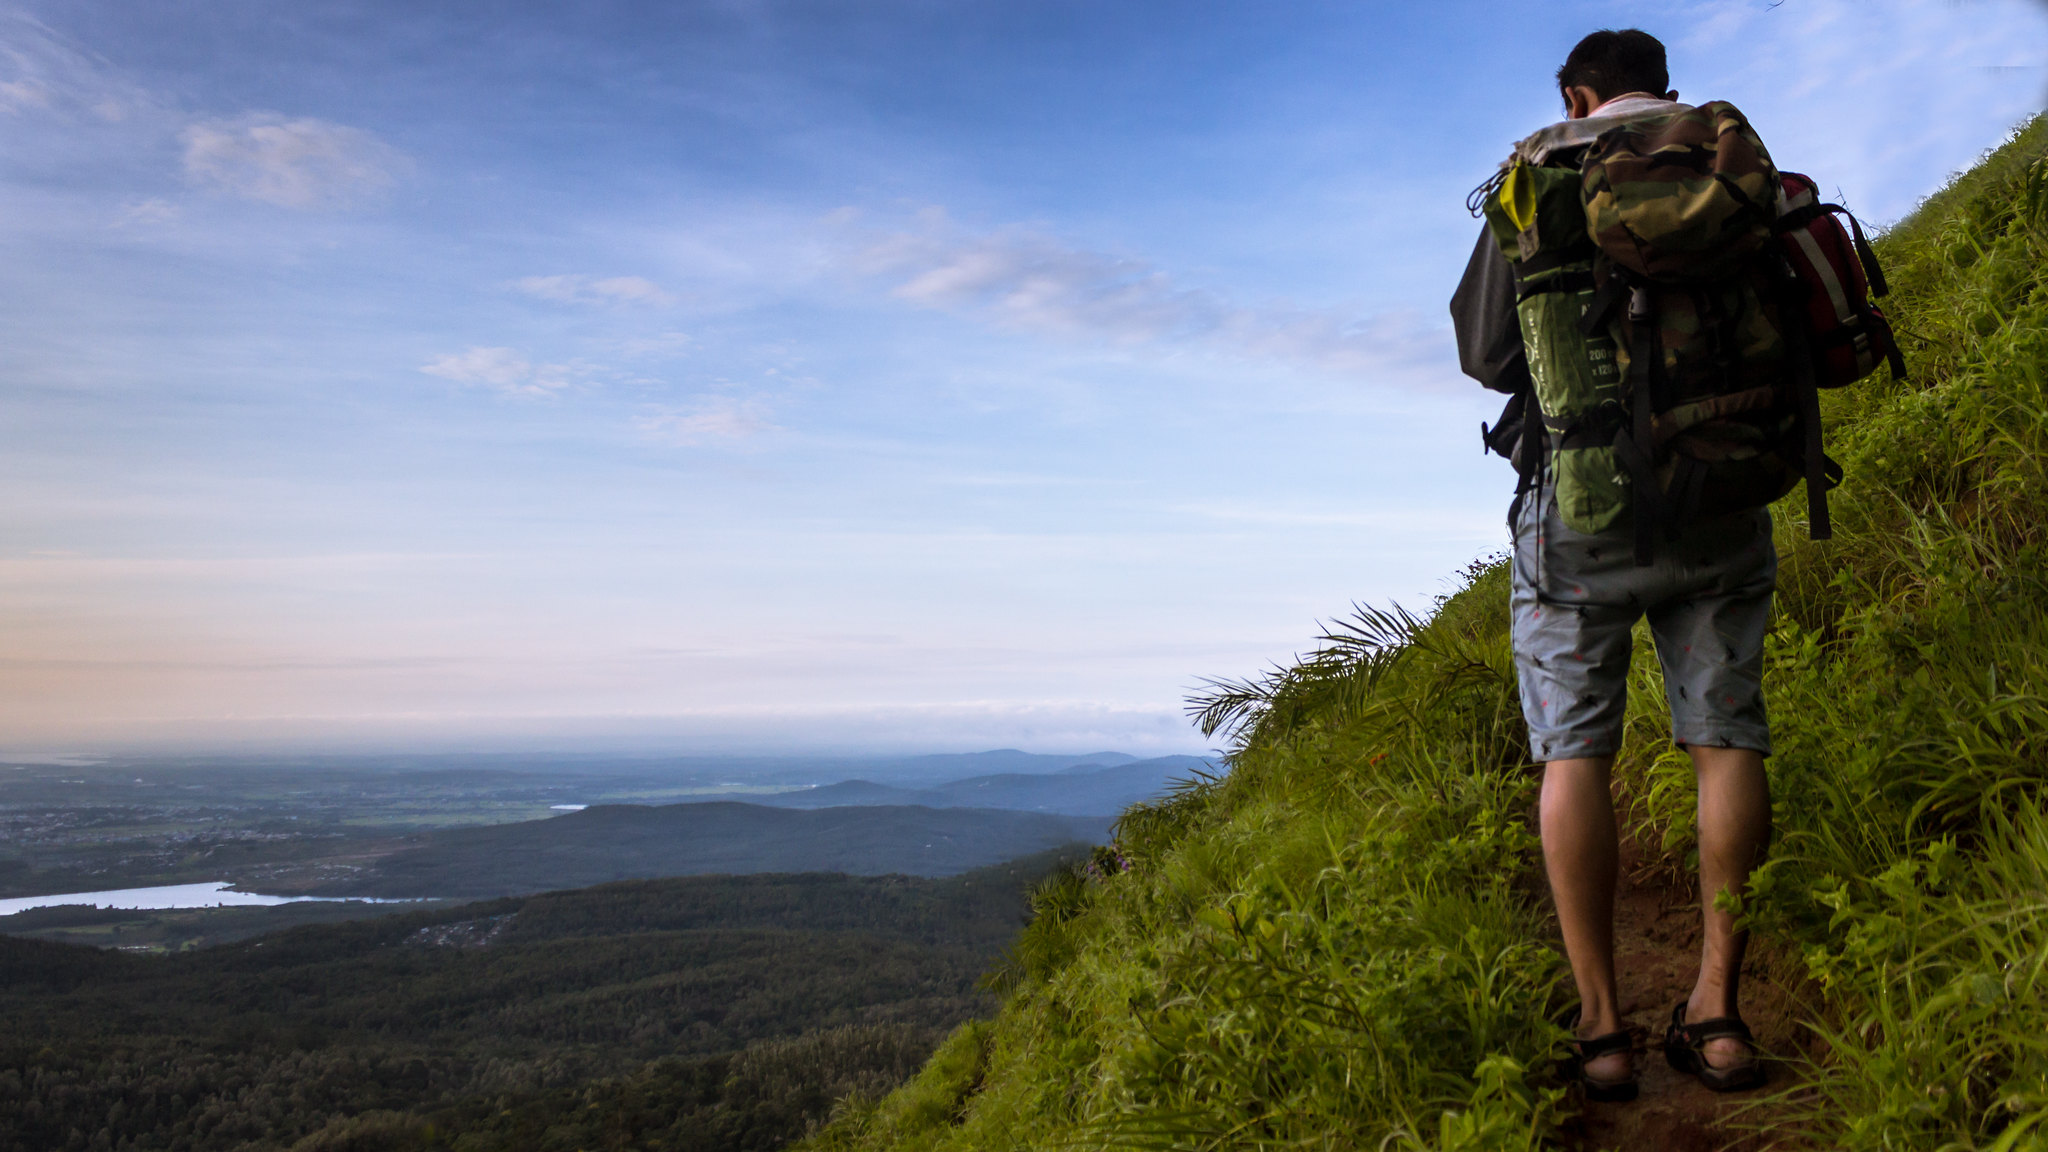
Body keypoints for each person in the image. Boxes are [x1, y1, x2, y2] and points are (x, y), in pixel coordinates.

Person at [1450, 29, 1772, 1100]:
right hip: (1722, 490)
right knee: (1723, 740)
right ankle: (1716, 1011)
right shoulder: (1716, 156)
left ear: (1576, 94)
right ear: (1660, 89)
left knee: (1571, 755)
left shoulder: (1537, 171)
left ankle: (1601, 1030)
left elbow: (1485, 354)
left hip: (1578, 511)